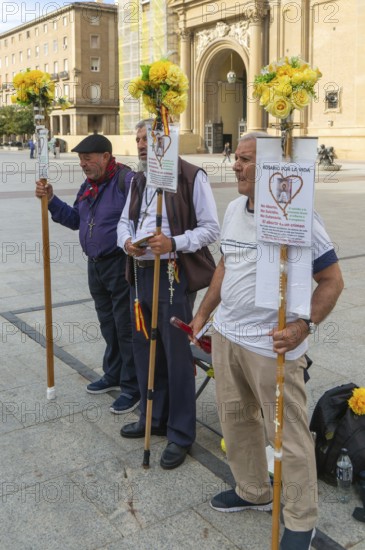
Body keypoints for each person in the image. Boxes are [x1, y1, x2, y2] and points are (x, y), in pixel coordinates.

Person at [190, 132, 344, 549]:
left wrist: (303, 326)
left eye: (245, 159)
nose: (235, 166)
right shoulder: (237, 207)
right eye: (235, 158)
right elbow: (228, 261)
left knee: (288, 436)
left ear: (274, 165)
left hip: (272, 347)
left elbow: (332, 280)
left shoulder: (298, 215)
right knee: (236, 420)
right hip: (227, 335)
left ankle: (300, 518)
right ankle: (252, 490)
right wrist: (204, 314)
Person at [117, 120, 220, 469]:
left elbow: (210, 229)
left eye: (149, 139)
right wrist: (127, 242)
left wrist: (174, 242)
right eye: (138, 139)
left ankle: (180, 432)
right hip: (141, 272)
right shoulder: (138, 179)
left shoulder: (191, 176)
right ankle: (154, 417)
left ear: (168, 141)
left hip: (173, 275)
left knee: (177, 356)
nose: (142, 145)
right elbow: (123, 223)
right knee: (146, 349)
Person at [35, 134, 140, 414]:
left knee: (125, 327)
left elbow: (144, 215)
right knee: (108, 325)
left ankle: (132, 387)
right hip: (95, 265)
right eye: (81, 158)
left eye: (89, 157)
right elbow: (74, 219)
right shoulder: (88, 187)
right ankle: (113, 373)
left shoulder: (126, 181)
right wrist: (51, 200)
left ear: (106, 156)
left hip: (121, 265)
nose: (83, 163)